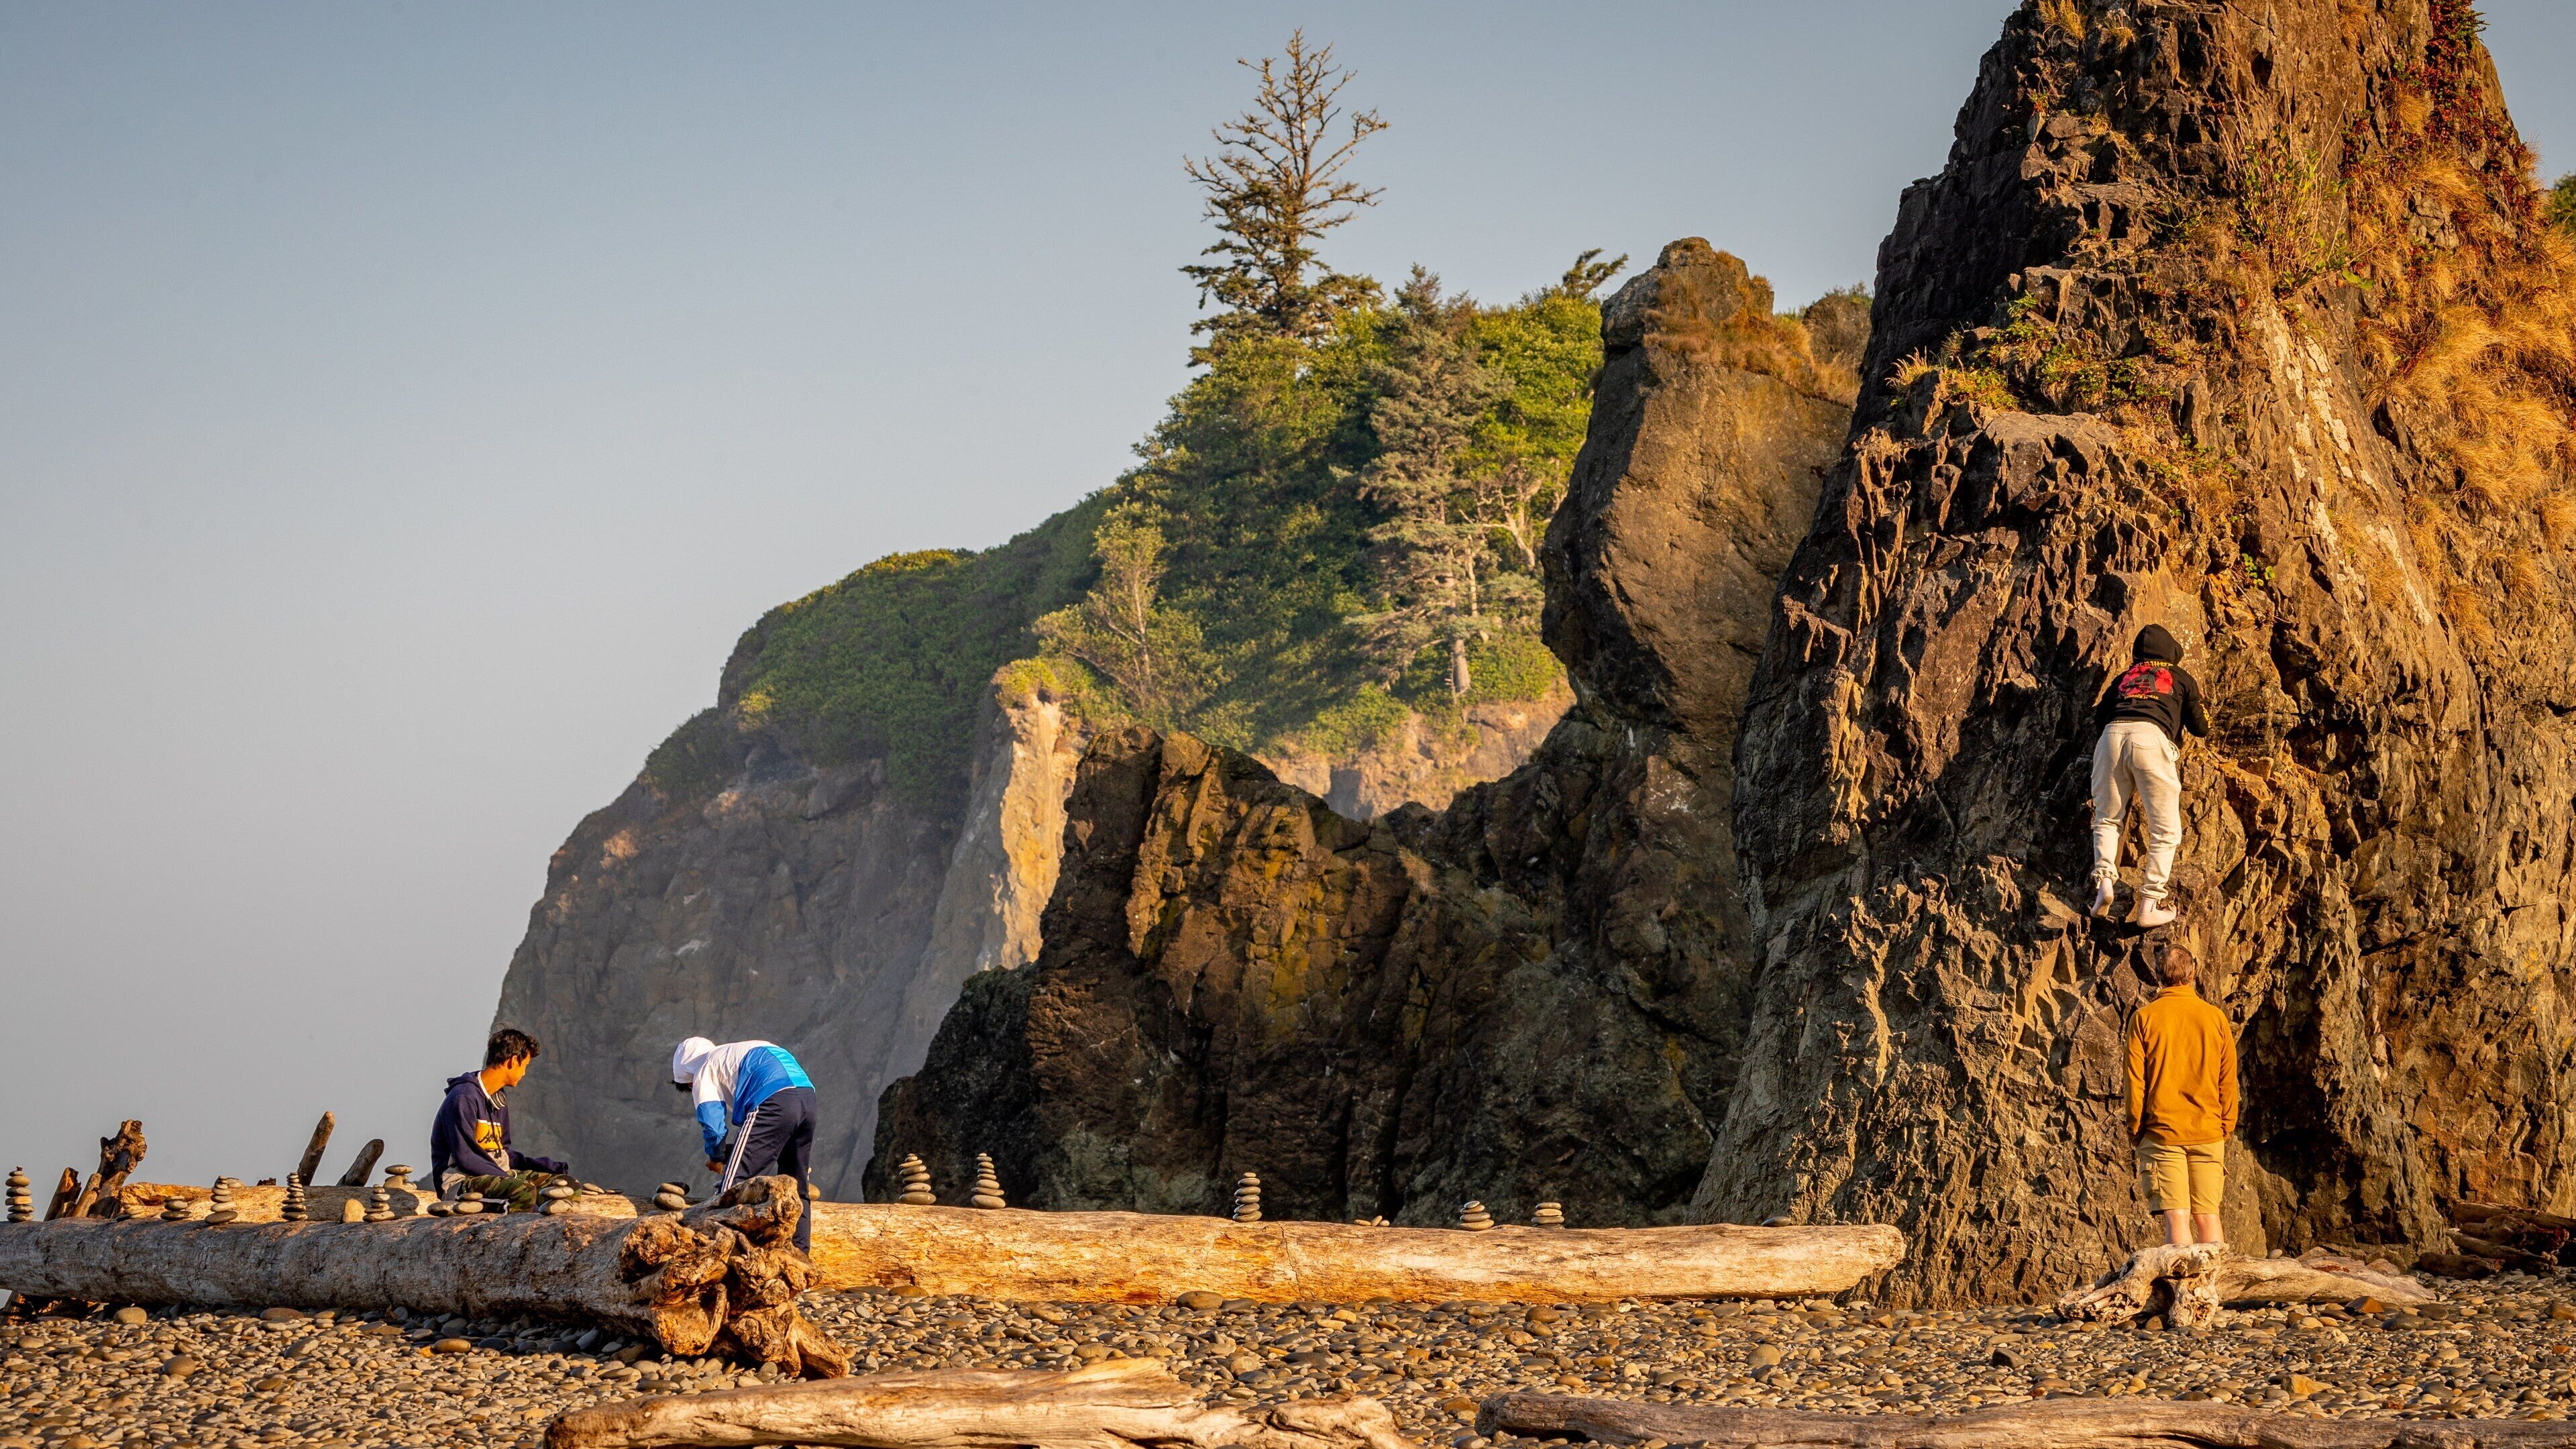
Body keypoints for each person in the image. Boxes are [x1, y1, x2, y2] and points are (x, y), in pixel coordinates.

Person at [2090, 623, 2209, 928]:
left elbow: (2099, 718)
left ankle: (2104, 883)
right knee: (2166, 831)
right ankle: (2150, 903)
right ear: (2171, 653)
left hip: (2111, 737)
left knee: (2107, 818)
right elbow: (2201, 727)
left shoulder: (2124, 678)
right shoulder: (2180, 677)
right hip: (2150, 738)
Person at [2127, 944, 2237, 1248]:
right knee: (2209, 1216)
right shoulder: (2215, 1018)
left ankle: (2183, 1280)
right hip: (2209, 1131)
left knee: (2177, 1217)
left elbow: (2135, 1082)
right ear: (2192, 973)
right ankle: (2211, 1279)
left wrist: (2135, 1129)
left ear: (2158, 976)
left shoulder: (2144, 1018)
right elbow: (2228, 1081)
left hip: (2163, 1133)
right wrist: (2226, 1126)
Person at [671, 1036, 818, 1252]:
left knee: (733, 1188)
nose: (693, 1089)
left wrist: (716, 1157)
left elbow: (713, 1126)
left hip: (772, 1101)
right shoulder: (739, 1051)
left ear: (688, 1074)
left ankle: (723, 1255)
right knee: (797, 1187)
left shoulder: (704, 1066)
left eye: (689, 1086)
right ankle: (800, 1256)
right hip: (807, 1099)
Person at [428, 1026, 569, 1210]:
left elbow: (502, 1153)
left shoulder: (498, 1099)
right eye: (525, 1066)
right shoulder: (463, 1097)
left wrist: (545, 1166)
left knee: (566, 1186)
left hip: (499, 1177)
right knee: (524, 1192)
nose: (524, 1073)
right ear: (513, 1061)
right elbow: (466, 1156)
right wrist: (510, 1179)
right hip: (461, 1183)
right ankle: (532, 1223)